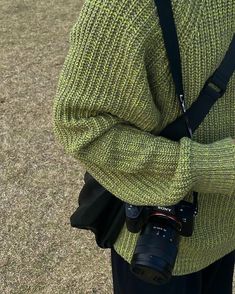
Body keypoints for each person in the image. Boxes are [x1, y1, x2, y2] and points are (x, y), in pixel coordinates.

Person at [52, 0, 235, 293]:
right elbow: (80, 126)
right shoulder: (126, 7)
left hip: (226, 233)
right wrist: (215, 166)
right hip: (159, 247)